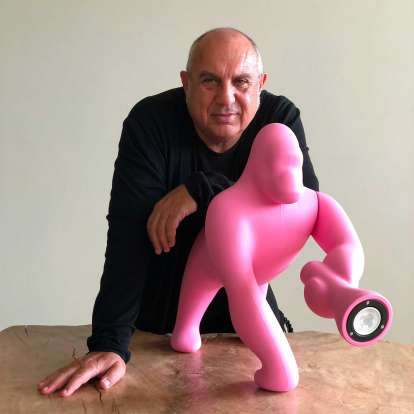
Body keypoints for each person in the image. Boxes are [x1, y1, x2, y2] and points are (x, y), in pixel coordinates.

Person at [37, 27, 319, 397]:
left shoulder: (278, 121)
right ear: (186, 83)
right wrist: (109, 342)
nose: (226, 98)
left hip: (248, 321)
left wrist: (203, 188)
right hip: (159, 326)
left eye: (241, 82)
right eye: (209, 81)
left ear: (260, 85)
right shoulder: (150, 123)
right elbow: (127, 236)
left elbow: (299, 210)